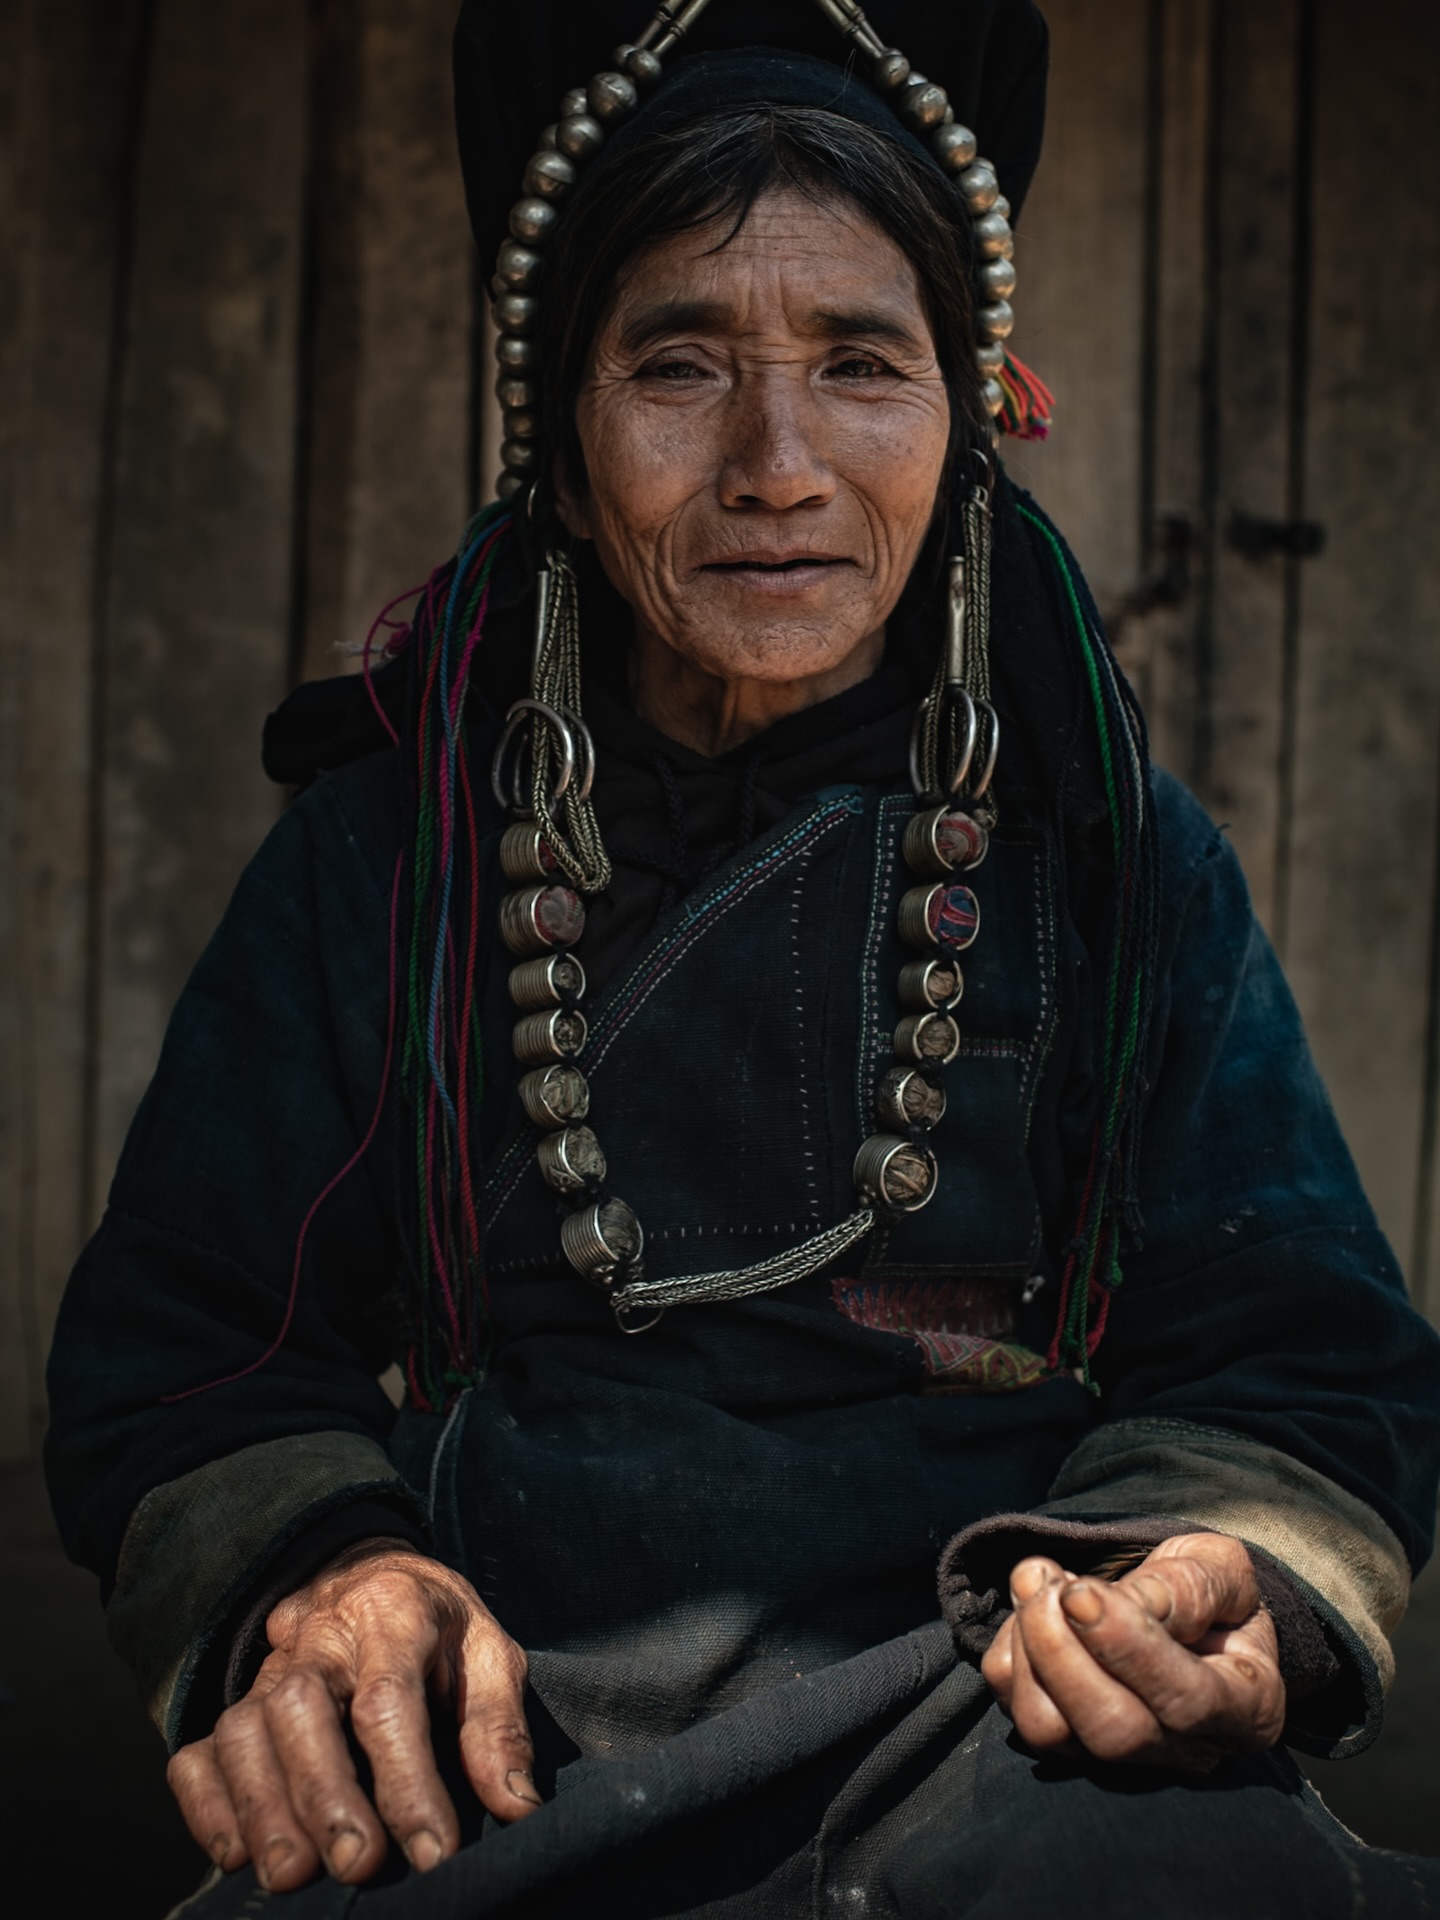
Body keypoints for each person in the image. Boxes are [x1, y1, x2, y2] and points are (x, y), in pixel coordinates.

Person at [43, 3, 1440, 1914]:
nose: (779, 464)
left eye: (864, 363)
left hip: (1004, 1689)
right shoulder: (401, 856)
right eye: (678, 363)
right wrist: (326, 1583)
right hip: (506, 1691)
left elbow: (1302, 1354)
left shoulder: (1108, 859)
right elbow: (191, 1346)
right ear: (560, 430)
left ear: (966, 418)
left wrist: (1213, 1574)